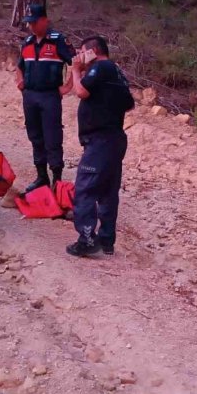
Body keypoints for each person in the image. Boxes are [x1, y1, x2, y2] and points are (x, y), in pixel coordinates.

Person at [66, 36, 134, 257]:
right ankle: (106, 240)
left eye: (82, 51)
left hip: (101, 141)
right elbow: (129, 104)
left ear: (93, 51)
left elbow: (81, 92)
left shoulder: (101, 67)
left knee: (85, 189)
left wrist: (76, 71)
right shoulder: (117, 73)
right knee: (107, 191)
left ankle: (86, 239)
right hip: (115, 139)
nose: (79, 56)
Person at [16, 4, 75, 192]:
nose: (31, 26)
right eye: (28, 23)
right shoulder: (27, 42)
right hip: (30, 96)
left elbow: (75, 62)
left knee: (52, 137)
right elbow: (20, 66)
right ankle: (41, 176)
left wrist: (68, 86)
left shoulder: (58, 40)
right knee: (35, 136)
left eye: (34, 22)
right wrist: (20, 82)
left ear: (44, 21)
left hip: (50, 96)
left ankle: (56, 179)